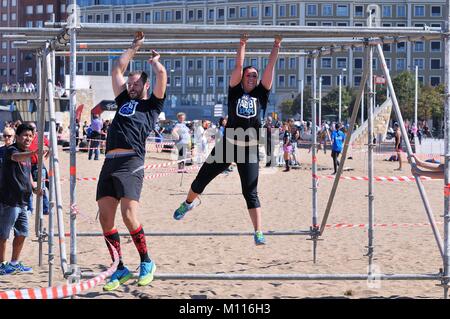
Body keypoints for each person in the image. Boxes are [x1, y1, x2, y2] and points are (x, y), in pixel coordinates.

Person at [172, 34, 282, 245]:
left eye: (254, 76)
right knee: (200, 180)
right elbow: (238, 66)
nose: (251, 77)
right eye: (248, 75)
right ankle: (187, 203)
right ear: (242, 78)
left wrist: (276, 46)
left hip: (249, 148)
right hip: (228, 145)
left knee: (250, 192)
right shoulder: (235, 92)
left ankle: (258, 231)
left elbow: (270, 68)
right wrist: (242, 45)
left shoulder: (262, 94)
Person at [96, 31, 166, 291]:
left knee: (128, 215)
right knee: (105, 219)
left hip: (131, 161)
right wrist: (134, 46)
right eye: (131, 83)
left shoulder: (152, 106)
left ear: (145, 86)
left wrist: (156, 63)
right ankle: (120, 267)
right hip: (109, 162)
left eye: (136, 84)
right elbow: (117, 69)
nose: (132, 86)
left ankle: (146, 261)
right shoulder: (123, 100)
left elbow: (162, 78)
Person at [0, 123, 43, 275]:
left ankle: (14, 263)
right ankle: (2, 264)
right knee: (3, 234)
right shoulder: (12, 150)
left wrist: (34, 187)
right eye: (25, 135)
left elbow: (27, 173)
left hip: (24, 201)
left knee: (22, 232)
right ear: (17, 136)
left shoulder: (27, 153)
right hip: (9, 201)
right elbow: (16, 158)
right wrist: (34, 153)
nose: (28, 138)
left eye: (31, 136)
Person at [27, 122, 50, 216]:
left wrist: (46, 155)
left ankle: (45, 208)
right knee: (28, 187)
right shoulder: (27, 137)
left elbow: (50, 146)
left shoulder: (39, 137)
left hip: (38, 165)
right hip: (27, 165)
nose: (33, 130)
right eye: (30, 128)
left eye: (33, 128)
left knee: (43, 187)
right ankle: (30, 208)